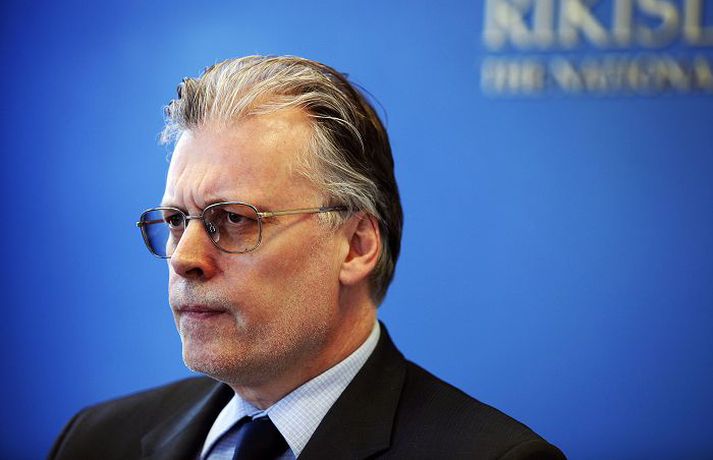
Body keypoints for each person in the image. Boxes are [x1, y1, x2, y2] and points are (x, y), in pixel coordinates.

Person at [50, 55, 565, 460]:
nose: (185, 258)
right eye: (176, 220)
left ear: (356, 245)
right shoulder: (96, 440)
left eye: (234, 219)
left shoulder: (492, 456)